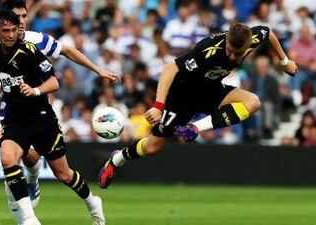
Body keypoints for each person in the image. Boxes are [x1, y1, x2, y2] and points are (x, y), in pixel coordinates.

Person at [0, 0, 119, 221]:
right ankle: (28, 218)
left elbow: (66, 53)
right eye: (13, 19)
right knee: (8, 159)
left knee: (61, 173)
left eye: (22, 18)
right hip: (11, 114)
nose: (19, 24)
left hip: (40, 115)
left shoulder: (35, 42)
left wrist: (97, 70)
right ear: (1, 26)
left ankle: (87, 200)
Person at [98, 23, 298, 189]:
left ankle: (195, 128)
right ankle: (116, 159)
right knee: (153, 147)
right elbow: (170, 68)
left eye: (237, 54)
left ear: (247, 47)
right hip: (182, 95)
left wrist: (285, 60)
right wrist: (158, 106)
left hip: (211, 90)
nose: (231, 57)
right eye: (229, 50)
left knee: (253, 102)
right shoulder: (207, 50)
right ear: (226, 40)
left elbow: (268, 32)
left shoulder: (252, 37)